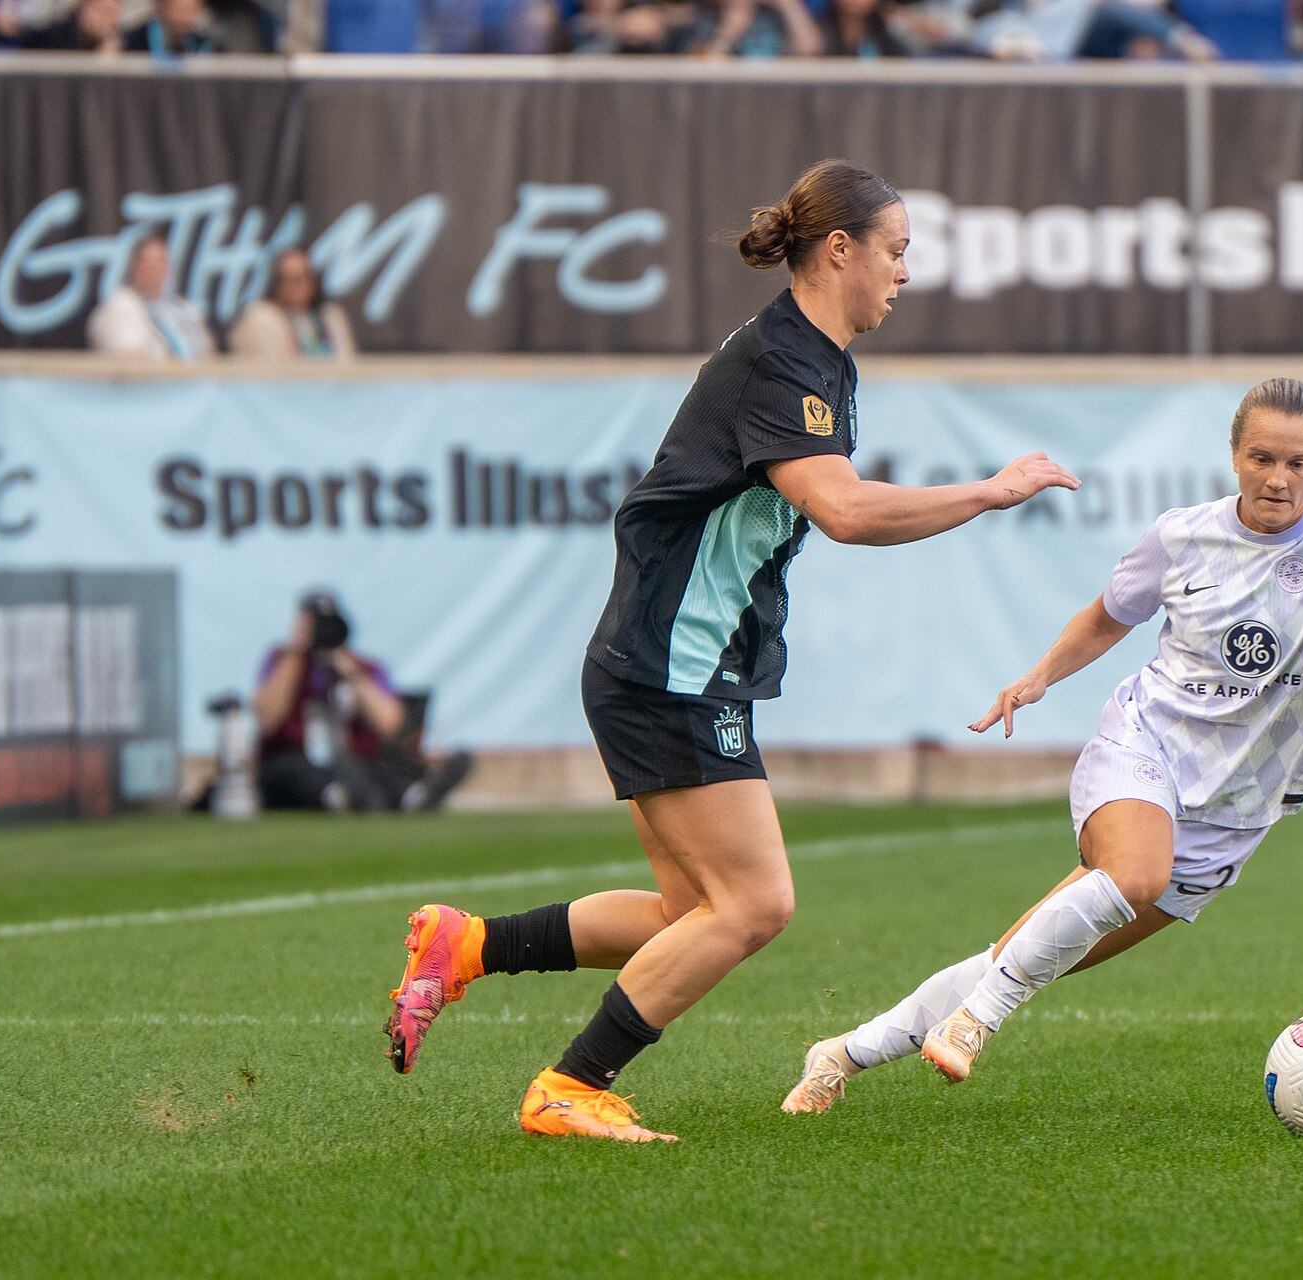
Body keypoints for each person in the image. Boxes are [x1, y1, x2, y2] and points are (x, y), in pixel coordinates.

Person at [381, 159, 1079, 1145]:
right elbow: (843, 510)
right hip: (673, 665)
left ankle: (470, 944)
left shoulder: (816, 358)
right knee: (753, 904)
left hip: (671, 659)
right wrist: (988, 491)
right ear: (838, 248)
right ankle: (571, 1085)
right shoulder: (783, 361)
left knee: (691, 907)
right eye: (895, 250)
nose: (905, 272)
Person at [781, 377, 1303, 1114]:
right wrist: (1037, 679)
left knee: (1024, 955)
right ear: (1235, 455)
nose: (1278, 478)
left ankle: (841, 1055)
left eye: (1298, 463)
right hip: (1147, 745)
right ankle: (978, 1021)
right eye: (1262, 458)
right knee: (1134, 876)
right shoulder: (1182, 535)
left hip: (1236, 808)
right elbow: (1107, 616)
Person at [252, 591, 472, 813]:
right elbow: (267, 719)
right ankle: (342, 795)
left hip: (353, 764)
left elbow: (391, 726)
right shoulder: (281, 660)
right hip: (296, 763)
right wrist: (296, 652)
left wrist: (350, 672)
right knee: (294, 772)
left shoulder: (363, 667)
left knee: (371, 769)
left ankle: (413, 795)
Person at [86, 236, 215, 361]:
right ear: (132, 267)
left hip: (200, 374)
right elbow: (129, 362)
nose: (153, 269)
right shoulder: (120, 306)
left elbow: (209, 353)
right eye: (146, 262)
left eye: (160, 261)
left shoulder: (182, 307)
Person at [228, 249, 358, 362]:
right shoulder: (260, 317)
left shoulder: (330, 315)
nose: (299, 286)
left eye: (305, 277)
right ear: (275, 282)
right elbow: (269, 371)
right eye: (291, 279)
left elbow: (347, 365)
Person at [121, 0, 217, 52]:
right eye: (181, 10)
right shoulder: (135, 41)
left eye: (192, 11)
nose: (187, 19)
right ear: (162, 7)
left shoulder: (201, 43)